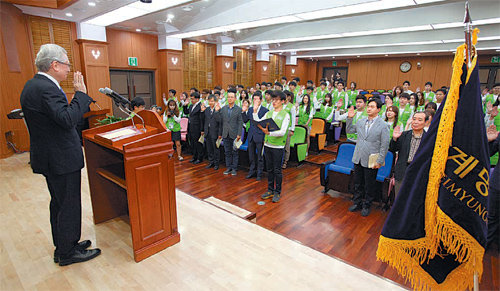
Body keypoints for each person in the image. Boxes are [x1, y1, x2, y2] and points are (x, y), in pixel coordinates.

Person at [20, 43, 101, 266]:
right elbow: (67, 119)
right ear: (54, 65)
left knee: (59, 203)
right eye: (66, 65)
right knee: (68, 204)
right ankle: (67, 253)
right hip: (60, 158)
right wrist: (80, 95)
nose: (68, 70)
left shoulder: (32, 85)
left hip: (51, 157)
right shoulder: (46, 88)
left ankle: (65, 245)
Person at [346, 98, 390, 216]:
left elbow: (384, 145)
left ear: (379, 110)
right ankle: (357, 202)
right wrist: (349, 118)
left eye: (372, 107)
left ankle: (367, 205)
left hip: (372, 158)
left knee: (369, 184)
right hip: (358, 156)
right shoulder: (361, 121)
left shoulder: (384, 125)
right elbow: (349, 130)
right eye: (368, 106)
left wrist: (380, 160)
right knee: (357, 182)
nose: (369, 108)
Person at [259, 90, 290, 203]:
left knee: (277, 170)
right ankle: (270, 189)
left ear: (282, 101)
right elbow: (260, 121)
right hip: (267, 144)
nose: (274, 102)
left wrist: (269, 133)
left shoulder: (286, 114)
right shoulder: (269, 113)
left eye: (276, 100)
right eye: (273, 100)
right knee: (270, 169)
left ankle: (277, 192)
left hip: (278, 147)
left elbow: (282, 132)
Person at [389, 111, 428, 196]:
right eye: (414, 119)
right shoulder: (404, 135)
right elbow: (393, 149)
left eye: (420, 120)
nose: (416, 122)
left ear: (425, 123)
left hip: (418, 173)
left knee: (412, 199)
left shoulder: (428, 139)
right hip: (402, 170)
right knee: (399, 198)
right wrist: (395, 139)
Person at [242, 91, 268, 180]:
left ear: (261, 100)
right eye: (254, 99)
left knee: (259, 156)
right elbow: (245, 120)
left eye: (257, 99)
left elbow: (262, 123)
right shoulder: (250, 109)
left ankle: (259, 174)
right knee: (251, 155)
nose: (255, 101)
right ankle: (252, 171)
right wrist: (243, 111)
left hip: (260, 135)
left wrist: (256, 111)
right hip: (251, 135)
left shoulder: (265, 110)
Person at [219, 88, 243, 175]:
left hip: (234, 134)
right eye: (228, 97)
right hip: (225, 133)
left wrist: (239, 134)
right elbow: (220, 121)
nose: (230, 99)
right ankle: (228, 167)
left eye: (231, 97)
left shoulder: (238, 109)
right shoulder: (223, 109)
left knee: (235, 152)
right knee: (227, 152)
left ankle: (234, 169)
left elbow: (240, 122)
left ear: (235, 98)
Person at [486, 124, 499, 250]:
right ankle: (485, 246)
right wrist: (489, 140)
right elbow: (489, 152)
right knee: (492, 217)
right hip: (497, 185)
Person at [184, 91, 204, 164]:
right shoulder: (191, 106)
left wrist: (202, 129)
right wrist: (185, 105)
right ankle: (194, 157)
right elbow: (186, 112)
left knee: (198, 143)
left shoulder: (200, 106)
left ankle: (200, 158)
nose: (191, 100)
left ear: (197, 99)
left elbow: (202, 119)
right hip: (191, 127)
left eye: (193, 99)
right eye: (191, 99)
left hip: (197, 128)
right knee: (192, 143)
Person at [203, 95, 221, 170]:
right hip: (207, 132)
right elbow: (204, 120)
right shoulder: (206, 109)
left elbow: (220, 122)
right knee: (209, 148)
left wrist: (220, 134)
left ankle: (216, 164)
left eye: (212, 101)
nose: (211, 102)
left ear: (216, 102)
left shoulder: (219, 110)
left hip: (215, 132)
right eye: (210, 101)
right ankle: (211, 162)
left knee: (215, 149)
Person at [282, 90, 297, 169]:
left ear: (288, 97)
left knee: (286, 146)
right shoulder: (280, 105)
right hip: (281, 128)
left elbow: (293, 118)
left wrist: (292, 129)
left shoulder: (292, 106)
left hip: (288, 128)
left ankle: (285, 161)